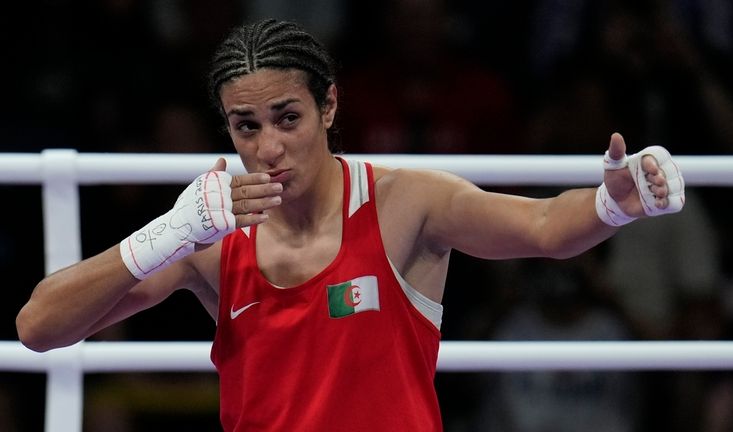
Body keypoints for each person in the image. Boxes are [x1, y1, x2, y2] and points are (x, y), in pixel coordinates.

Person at [15, 18, 685, 432]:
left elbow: (542, 227)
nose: (269, 147)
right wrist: (163, 234)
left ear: (329, 105)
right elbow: (38, 329)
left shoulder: (405, 204)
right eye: (247, 127)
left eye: (287, 118)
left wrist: (613, 204)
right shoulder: (210, 237)